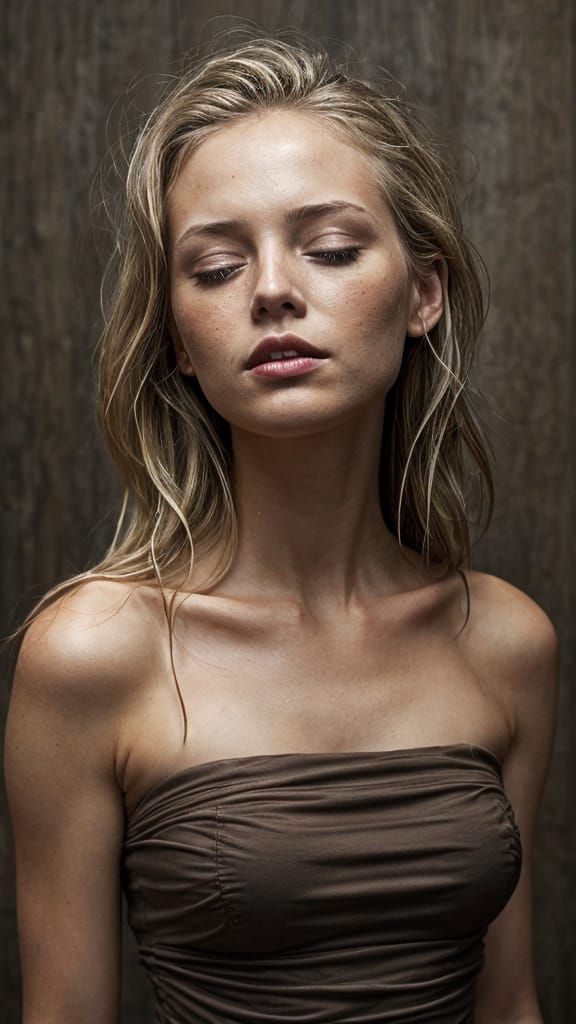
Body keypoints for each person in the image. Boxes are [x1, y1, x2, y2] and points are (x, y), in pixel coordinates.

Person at [4, 30, 559, 1024]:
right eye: (215, 267)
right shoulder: (92, 655)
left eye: (333, 248)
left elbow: (510, 1000)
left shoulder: (505, 641)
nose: (272, 290)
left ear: (422, 292)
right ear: (179, 339)